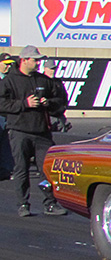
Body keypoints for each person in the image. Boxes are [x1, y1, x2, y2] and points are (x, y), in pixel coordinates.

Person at [0, 46, 68, 216]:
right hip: (19, 131)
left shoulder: (44, 80)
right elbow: (1, 103)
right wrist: (24, 104)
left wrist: (48, 103)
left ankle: (50, 203)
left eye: (39, 60)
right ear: (24, 60)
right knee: (21, 169)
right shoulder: (9, 81)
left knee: (47, 170)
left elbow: (61, 101)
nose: (38, 63)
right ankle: (23, 204)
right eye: (35, 60)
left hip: (42, 132)